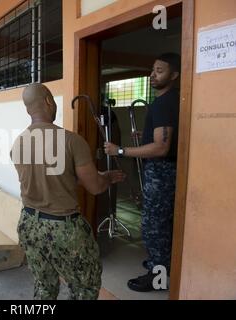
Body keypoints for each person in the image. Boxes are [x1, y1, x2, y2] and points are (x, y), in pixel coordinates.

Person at [10, 83, 125, 300]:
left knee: (44, 287)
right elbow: (95, 187)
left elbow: (50, 178)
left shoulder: (18, 143)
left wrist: (86, 175)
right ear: (48, 101)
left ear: (27, 109)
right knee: (84, 288)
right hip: (64, 228)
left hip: (29, 224)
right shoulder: (72, 141)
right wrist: (107, 177)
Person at [104, 53, 181, 292]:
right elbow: (160, 138)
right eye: (152, 69)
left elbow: (161, 147)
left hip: (162, 172)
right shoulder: (171, 100)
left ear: (174, 75)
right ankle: (160, 266)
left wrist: (121, 150)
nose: (152, 74)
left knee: (153, 226)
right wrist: (144, 138)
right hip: (164, 171)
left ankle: (157, 278)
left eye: (160, 70)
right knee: (160, 224)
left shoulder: (164, 102)